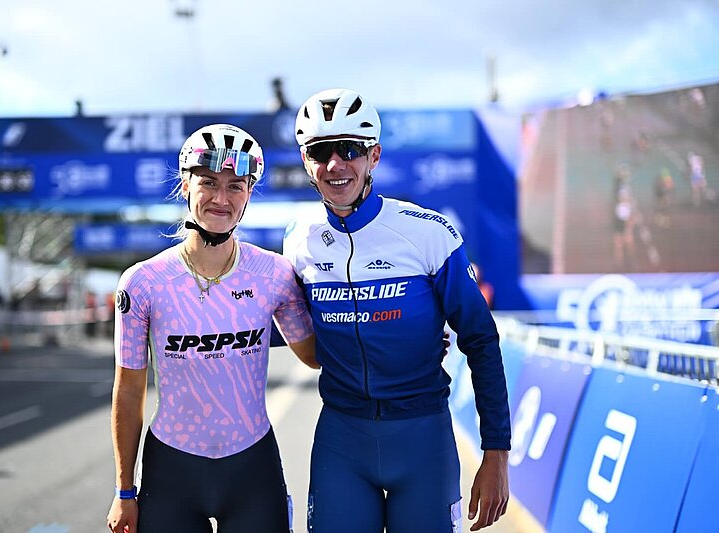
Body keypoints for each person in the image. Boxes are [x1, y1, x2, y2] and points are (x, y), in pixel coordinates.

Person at [283, 88, 511, 532]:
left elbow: (481, 340)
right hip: (342, 440)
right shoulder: (298, 239)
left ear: (374, 156)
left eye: (350, 149)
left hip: (422, 437)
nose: (335, 164)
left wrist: (496, 453)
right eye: (320, 152)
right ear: (307, 162)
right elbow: (285, 321)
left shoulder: (427, 233)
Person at [106, 124, 317, 533]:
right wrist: (124, 491)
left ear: (249, 192)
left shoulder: (274, 274)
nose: (222, 198)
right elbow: (129, 391)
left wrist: (408, 336)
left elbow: (314, 355)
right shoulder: (143, 282)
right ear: (186, 185)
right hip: (172, 472)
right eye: (209, 183)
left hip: (252, 468)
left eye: (235, 185)